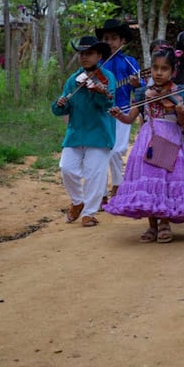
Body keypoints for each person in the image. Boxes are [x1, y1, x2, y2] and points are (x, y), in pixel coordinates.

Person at [104, 46, 184, 243]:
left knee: (167, 180)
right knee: (149, 180)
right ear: (150, 69)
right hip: (148, 140)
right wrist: (119, 115)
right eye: (156, 68)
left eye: (164, 68)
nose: (159, 73)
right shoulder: (143, 93)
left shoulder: (179, 93)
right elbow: (130, 118)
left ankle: (165, 223)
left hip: (172, 140)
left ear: (172, 71)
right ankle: (152, 225)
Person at [52, 36, 116, 227]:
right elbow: (60, 109)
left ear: (99, 55)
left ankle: (89, 212)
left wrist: (99, 92)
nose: (84, 57)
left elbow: (107, 103)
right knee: (66, 168)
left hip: (99, 133)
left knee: (94, 174)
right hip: (76, 132)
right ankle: (77, 202)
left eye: (89, 54)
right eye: (81, 53)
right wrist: (60, 104)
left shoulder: (107, 78)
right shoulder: (73, 80)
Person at [95, 19, 145, 203]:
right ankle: (100, 194)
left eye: (114, 38)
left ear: (122, 40)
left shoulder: (129, 62)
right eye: (106, 38)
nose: (110, 42)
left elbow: (143, 85)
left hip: (123, 112)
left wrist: (137, 83)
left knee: (116, 151)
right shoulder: (97, 62)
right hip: (100, 113)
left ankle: (118, 184)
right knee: (100, 152)